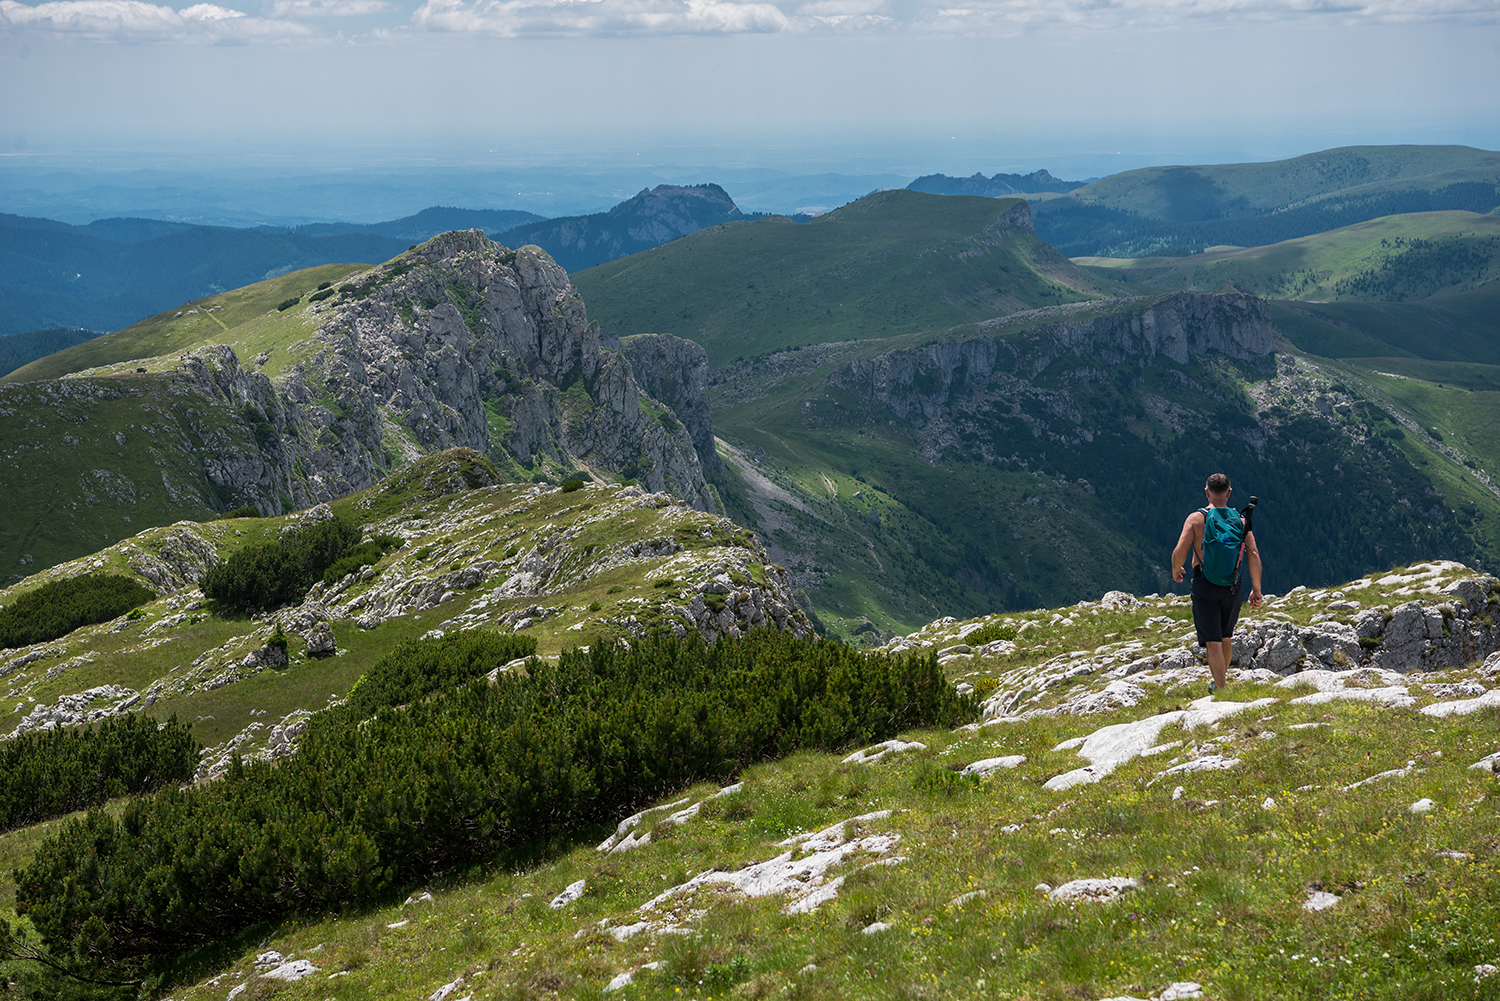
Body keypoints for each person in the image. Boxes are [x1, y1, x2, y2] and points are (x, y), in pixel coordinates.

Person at [1171, 472, 1262, 694]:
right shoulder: (1241, 521)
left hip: (1205, 583)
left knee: (1212, 641)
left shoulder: (1196, 519)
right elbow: (1253, 555)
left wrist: (1176, 569)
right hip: (1233, 584)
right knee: (1225, 636)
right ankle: (1222, 681)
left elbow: (1180, 551)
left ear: (1206, 492)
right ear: (1229, 493)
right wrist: (1256, 589)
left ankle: (1220, 689)